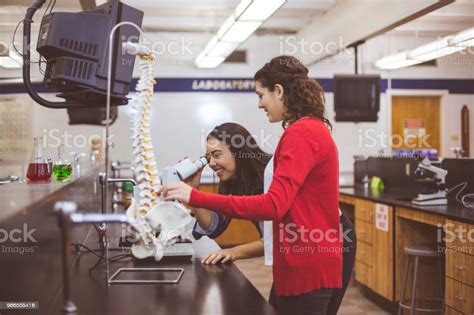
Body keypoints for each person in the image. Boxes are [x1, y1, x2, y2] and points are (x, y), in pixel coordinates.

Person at [162, 55, 347, 315]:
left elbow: (273, 205)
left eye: (261, 95)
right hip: (299, 257)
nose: (260, 103)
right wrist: (194, 195)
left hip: (310, 259)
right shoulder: (302, 130)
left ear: (279, 91)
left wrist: (195, 196)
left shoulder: (302, 133)